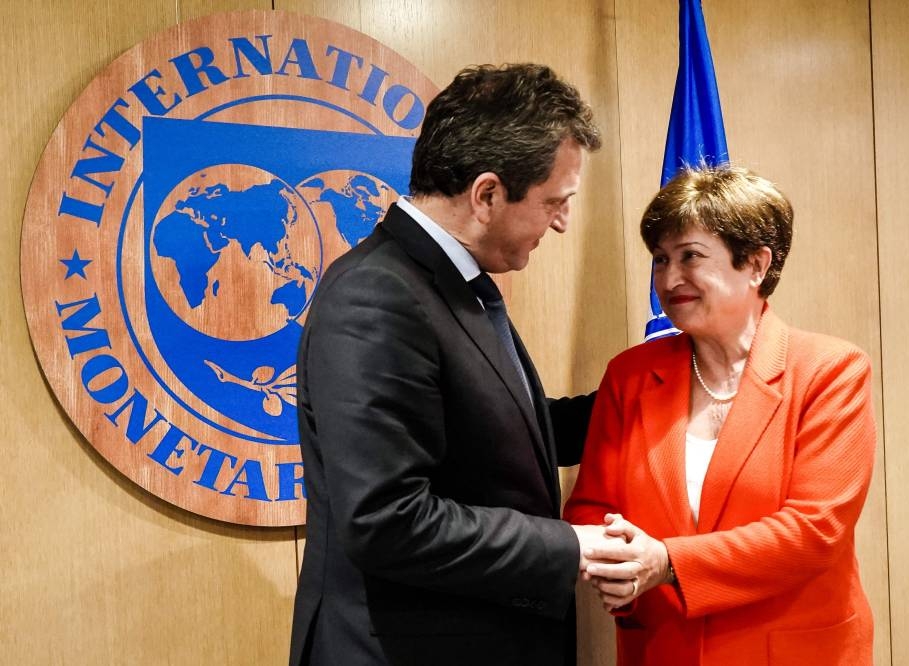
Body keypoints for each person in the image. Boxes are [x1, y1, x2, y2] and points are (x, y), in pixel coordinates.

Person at [289, 63, 615, 666]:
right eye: (554, 202)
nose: (563, 222)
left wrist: (645, 399)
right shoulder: (378, 295)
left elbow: (493, 433)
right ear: (487, 194)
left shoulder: (448, 281)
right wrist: (571, 547)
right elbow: (387, 519)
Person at [564, 164, 876, 665]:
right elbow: (589, 506)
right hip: (662, 649)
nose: (668, 278)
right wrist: (619, 565)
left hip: (789, 651)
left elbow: (814, 530)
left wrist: (666, 563)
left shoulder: (829, 371)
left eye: (690, 257)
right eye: (660, 259)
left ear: (755, 264)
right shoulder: (630, 374)